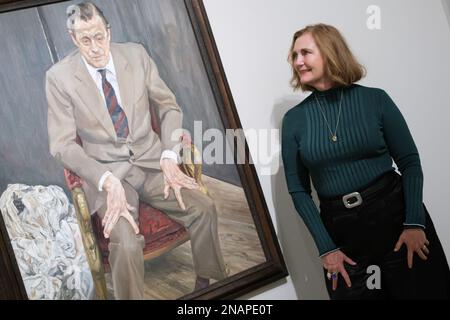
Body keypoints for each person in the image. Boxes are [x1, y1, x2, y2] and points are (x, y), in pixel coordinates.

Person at [45, 1, 228, 300]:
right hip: (109, 177)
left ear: (109, 30)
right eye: (85, 40)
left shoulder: (136, 55)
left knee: (204, 207)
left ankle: (212, 284)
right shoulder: (59, 78)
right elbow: (62, 144)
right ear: (73, 39)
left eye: (99, 36)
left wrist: (169, 155)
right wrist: (104, 179)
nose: (94, 47)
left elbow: (168, 106)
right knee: (127, 244)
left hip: (153, 162)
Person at [282, 23, 450, 299]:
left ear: (330, 52)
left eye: (305, 53)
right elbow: (298, 191)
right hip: (344, 237)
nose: (298, 61)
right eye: (294, 55)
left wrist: (414, 223)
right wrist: (326, 249)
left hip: (397, 221)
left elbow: (409, 162)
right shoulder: (294, 121)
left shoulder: (375, 100)